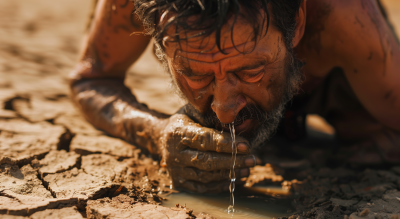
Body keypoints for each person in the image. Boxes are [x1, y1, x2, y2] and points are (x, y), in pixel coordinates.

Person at [70, 0, 400, 193]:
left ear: (297, 23)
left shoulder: (342, 13)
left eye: (250, 71)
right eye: (195, 75)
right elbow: (90, 80)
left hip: (334, 82)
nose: (224, 112)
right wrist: (153, 131)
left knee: (377, 137)